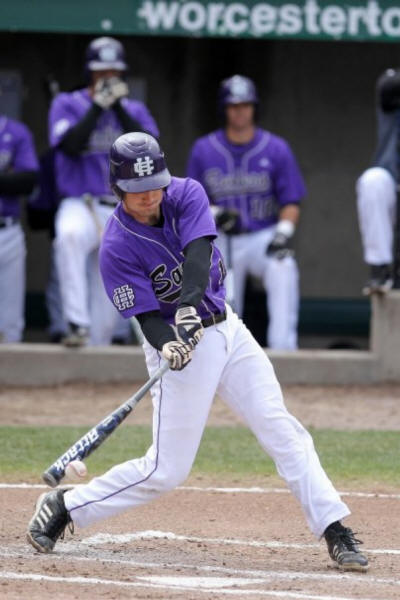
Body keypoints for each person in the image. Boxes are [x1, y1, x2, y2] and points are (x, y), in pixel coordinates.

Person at [27, 132, 368, 573]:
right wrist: (167, 341)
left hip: (227, 329)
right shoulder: (115, 245)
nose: (150, 196)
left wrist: (188, 305)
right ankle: (66, 506)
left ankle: (334, 528)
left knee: (281, 429)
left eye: (155, 185)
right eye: (137, 190)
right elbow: (146, 317)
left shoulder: (186, 192)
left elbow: (200, 252)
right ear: (117, 188)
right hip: (177, 348)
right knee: (166, 471)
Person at [49, 36, 159, 346]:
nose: (107, 78)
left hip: (121, 208)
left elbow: (148, 150)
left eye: (113, 72)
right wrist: (98, 106)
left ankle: (95, 343)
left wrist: (120, 108)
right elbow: (70, 145)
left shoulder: (134, 109)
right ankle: (76, 323)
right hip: (80, 202)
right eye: (101, 72)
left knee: (108, 314)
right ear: (89, 73)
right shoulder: (67, 103)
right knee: (68, 235)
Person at [187, 75, 305, 350]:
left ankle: (283, 350)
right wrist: (216, 213)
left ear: (254, 108)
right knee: (224, 295)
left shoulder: (276, 148)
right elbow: (192, 202)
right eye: (233, 105)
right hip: (221, 237)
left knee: (283, 266)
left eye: (245, 105)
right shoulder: (204, 149)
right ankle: (222, 352)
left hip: (262, 235)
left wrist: (281, 235)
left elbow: (291, 202)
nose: (240, 111)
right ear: (224, 109)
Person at [356, 68, 400, 295]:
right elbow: (388, 85)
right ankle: (379, 268)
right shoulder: (394, 87)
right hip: (393, 182)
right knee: (372, 181)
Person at [0, 115, 38, 342]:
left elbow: (26, 181)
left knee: (10, 319)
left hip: (8, 228)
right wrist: (6, 177)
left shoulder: (15, 131)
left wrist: (13, 179)